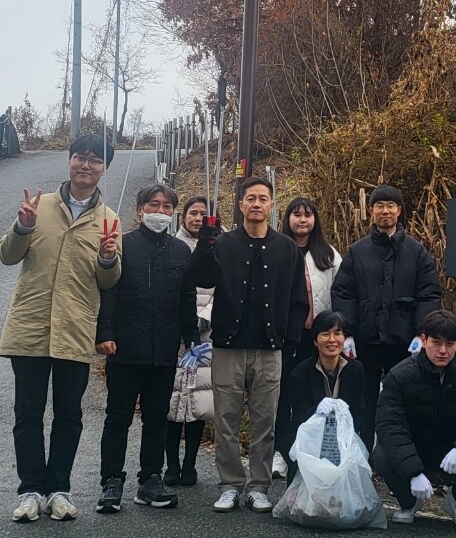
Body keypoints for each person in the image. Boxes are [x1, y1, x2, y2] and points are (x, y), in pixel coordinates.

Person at [1, 134, 122, 522]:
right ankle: (31, 490)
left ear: (104, 168)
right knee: (28, 413)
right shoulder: (40, 206)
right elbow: (8, 257)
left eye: (96, 160)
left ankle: (59, 489)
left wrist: (107, 260)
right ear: (69, 161)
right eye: (80, 158)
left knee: (69, 413)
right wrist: (22, 227)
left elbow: (109, 281)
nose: (86, 166)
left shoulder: (110, 219)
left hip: (74, 328)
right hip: (32, 326)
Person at [190, 176, 308, 513]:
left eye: (263, 198)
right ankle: (229, 484)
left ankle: (259, 485)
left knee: (264, 421)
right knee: (225, 419)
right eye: (250, 198)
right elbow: (202, 278)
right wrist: (204, 245)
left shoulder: (286, 248)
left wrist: (290, 339)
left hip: (270, 348)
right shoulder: (223, 243)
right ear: (240, 205)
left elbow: (299, 299)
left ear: (272, 207)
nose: (256, 203)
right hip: (228, 344)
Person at [95, 184, 198, 512]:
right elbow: (108, 293)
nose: (161, 212)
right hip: (124, 348)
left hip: (164, 349)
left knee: (156, 416)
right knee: (118, 417)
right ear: (140, 209)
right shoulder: (123, 245)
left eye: (168, 207)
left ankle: (150, 479)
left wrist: (192, 338)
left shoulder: (181, 251)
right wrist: (105, 332)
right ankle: (111, 481)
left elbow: (187, 298)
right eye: (154, 205)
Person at [332, 184, 442, 449]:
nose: (385, 211)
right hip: (366, 343)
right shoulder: (357, 251)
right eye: (379, 206)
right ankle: (362, 459)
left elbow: (429, 293)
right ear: (370, 211)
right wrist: (347, 333)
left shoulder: (416, 252)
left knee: (404, 403)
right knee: (362, 403)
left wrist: (421, 332)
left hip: (405, 343)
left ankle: (400, 460)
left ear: (399, 211)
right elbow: (343, 292)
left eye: (390, 206)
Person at [373, 310, 456, 527]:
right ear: (423, 340)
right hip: (416, 447)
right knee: (381, 454)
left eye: (450, 344)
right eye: (436, 342)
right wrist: (412, 471)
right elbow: (389, 425)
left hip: (453, 450)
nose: (443, 350)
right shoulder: (399, 375)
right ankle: (409, 501)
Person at [273, 196, 342, 478]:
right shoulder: (276, 249)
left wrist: (336, 332)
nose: (302, 220)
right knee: (281, 394)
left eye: (308, 215)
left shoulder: (328, 254)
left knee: (312, 394)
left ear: (315, 220)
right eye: (296, 214)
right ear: (287, 218)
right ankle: (280, 450)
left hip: (317, 337)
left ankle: (310, 447)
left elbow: (340, 292)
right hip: (282, 335)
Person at [165, 195, 214, 487]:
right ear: (183, 216)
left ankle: (190, 464)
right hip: (174, 331)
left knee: (198, 399)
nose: (197, 219)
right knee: (172, 399)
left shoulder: (220, 247)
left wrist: (205, 317)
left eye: (202, 214)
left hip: (205, 336)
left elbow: (228, 290)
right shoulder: (172, 246)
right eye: (192, 213)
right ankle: (171, 463)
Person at [286, 310, 366, 462]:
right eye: (325, 334)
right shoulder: (300, 373)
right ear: (315, 340)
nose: (332, 340)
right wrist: (316, 410)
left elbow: (360, 411)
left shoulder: (355, 369)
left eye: (337, 333)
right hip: (310, 441)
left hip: (345, 440)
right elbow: (298, 418)